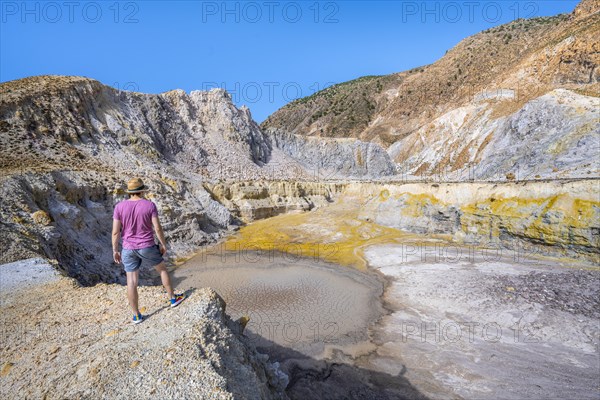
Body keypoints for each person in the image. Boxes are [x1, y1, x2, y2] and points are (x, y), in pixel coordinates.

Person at [112, 177, 185, 324]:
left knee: (131, 282)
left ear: (130, 192)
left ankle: (136, 315)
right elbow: (157, 228)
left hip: (127, 248)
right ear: (142, 191)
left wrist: (115, 250)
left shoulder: (119, 207)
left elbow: (115, 232)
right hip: (147, 246)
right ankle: (172, 298)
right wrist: (163, 244)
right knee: (162, 270)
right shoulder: (149, 205)